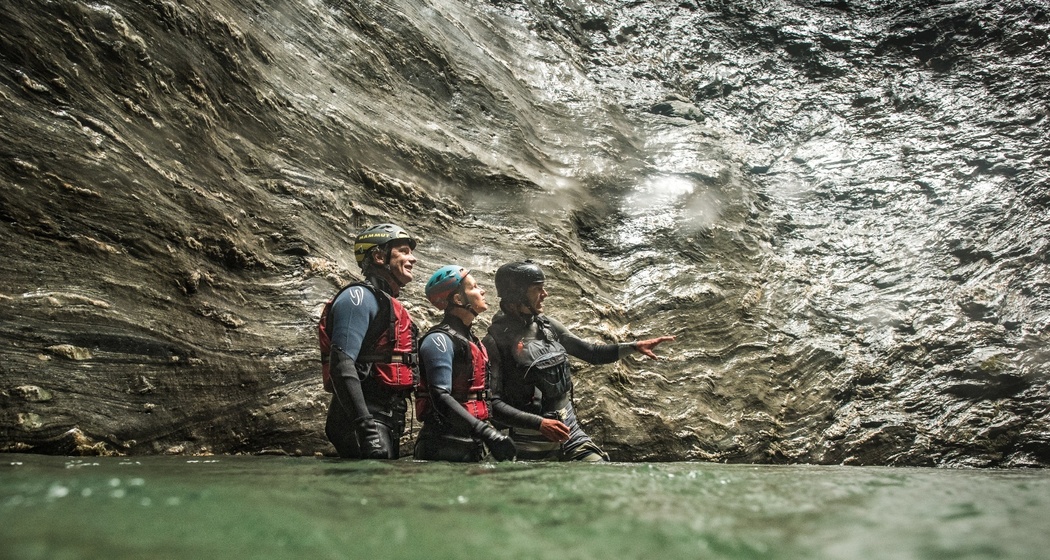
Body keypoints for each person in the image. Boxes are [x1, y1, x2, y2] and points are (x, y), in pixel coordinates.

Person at [483, 261, 674, 461]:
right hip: (527, 442)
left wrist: (634, 347)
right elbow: (493, 403)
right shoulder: (494, 342)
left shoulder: (548, 327)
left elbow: (591, 353)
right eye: (537, 289)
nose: (545, 293)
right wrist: (540, 424)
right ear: (518, 294)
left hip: (570, 432)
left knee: (598, 474)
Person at [324, 223, 419, 459]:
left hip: (385, 418)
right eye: (404, 251)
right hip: (365, 420)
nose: (413, 258)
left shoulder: (384, 302)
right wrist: (365, 428)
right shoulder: (357, 298)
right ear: (378, 256)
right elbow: (341, 364)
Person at [414, 266, 516, 462]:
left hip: (471, 442)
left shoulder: (471, 341)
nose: (482, 291)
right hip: (443, 445)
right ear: (459, 300)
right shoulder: (438, 340)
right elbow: (440, 396)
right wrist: (486, 431)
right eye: (475, 287)